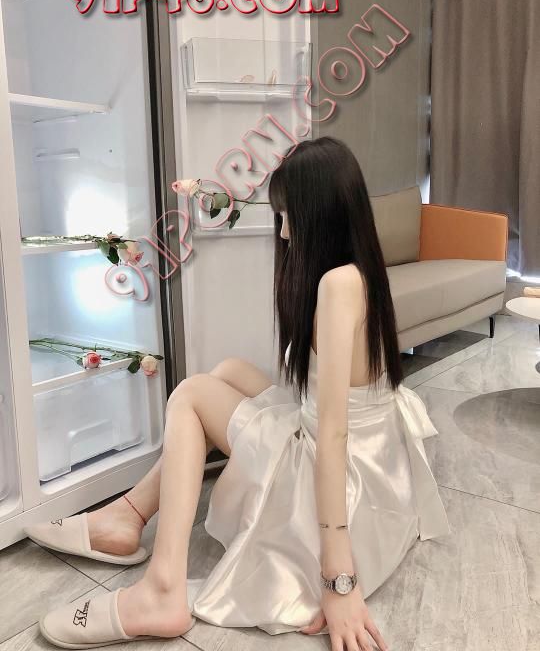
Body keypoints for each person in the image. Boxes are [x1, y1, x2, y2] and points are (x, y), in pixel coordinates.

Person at [26, 136, 451, 651]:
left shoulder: (337, 285)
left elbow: (333, 436)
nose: (283, 230)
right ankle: (128, 515)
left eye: (288, 215)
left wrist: (339, 579)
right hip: (375, 454)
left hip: (346, 475)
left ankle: (162, 589)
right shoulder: (362, 271)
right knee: (229, 370)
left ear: (318, 214)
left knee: (191, 395)